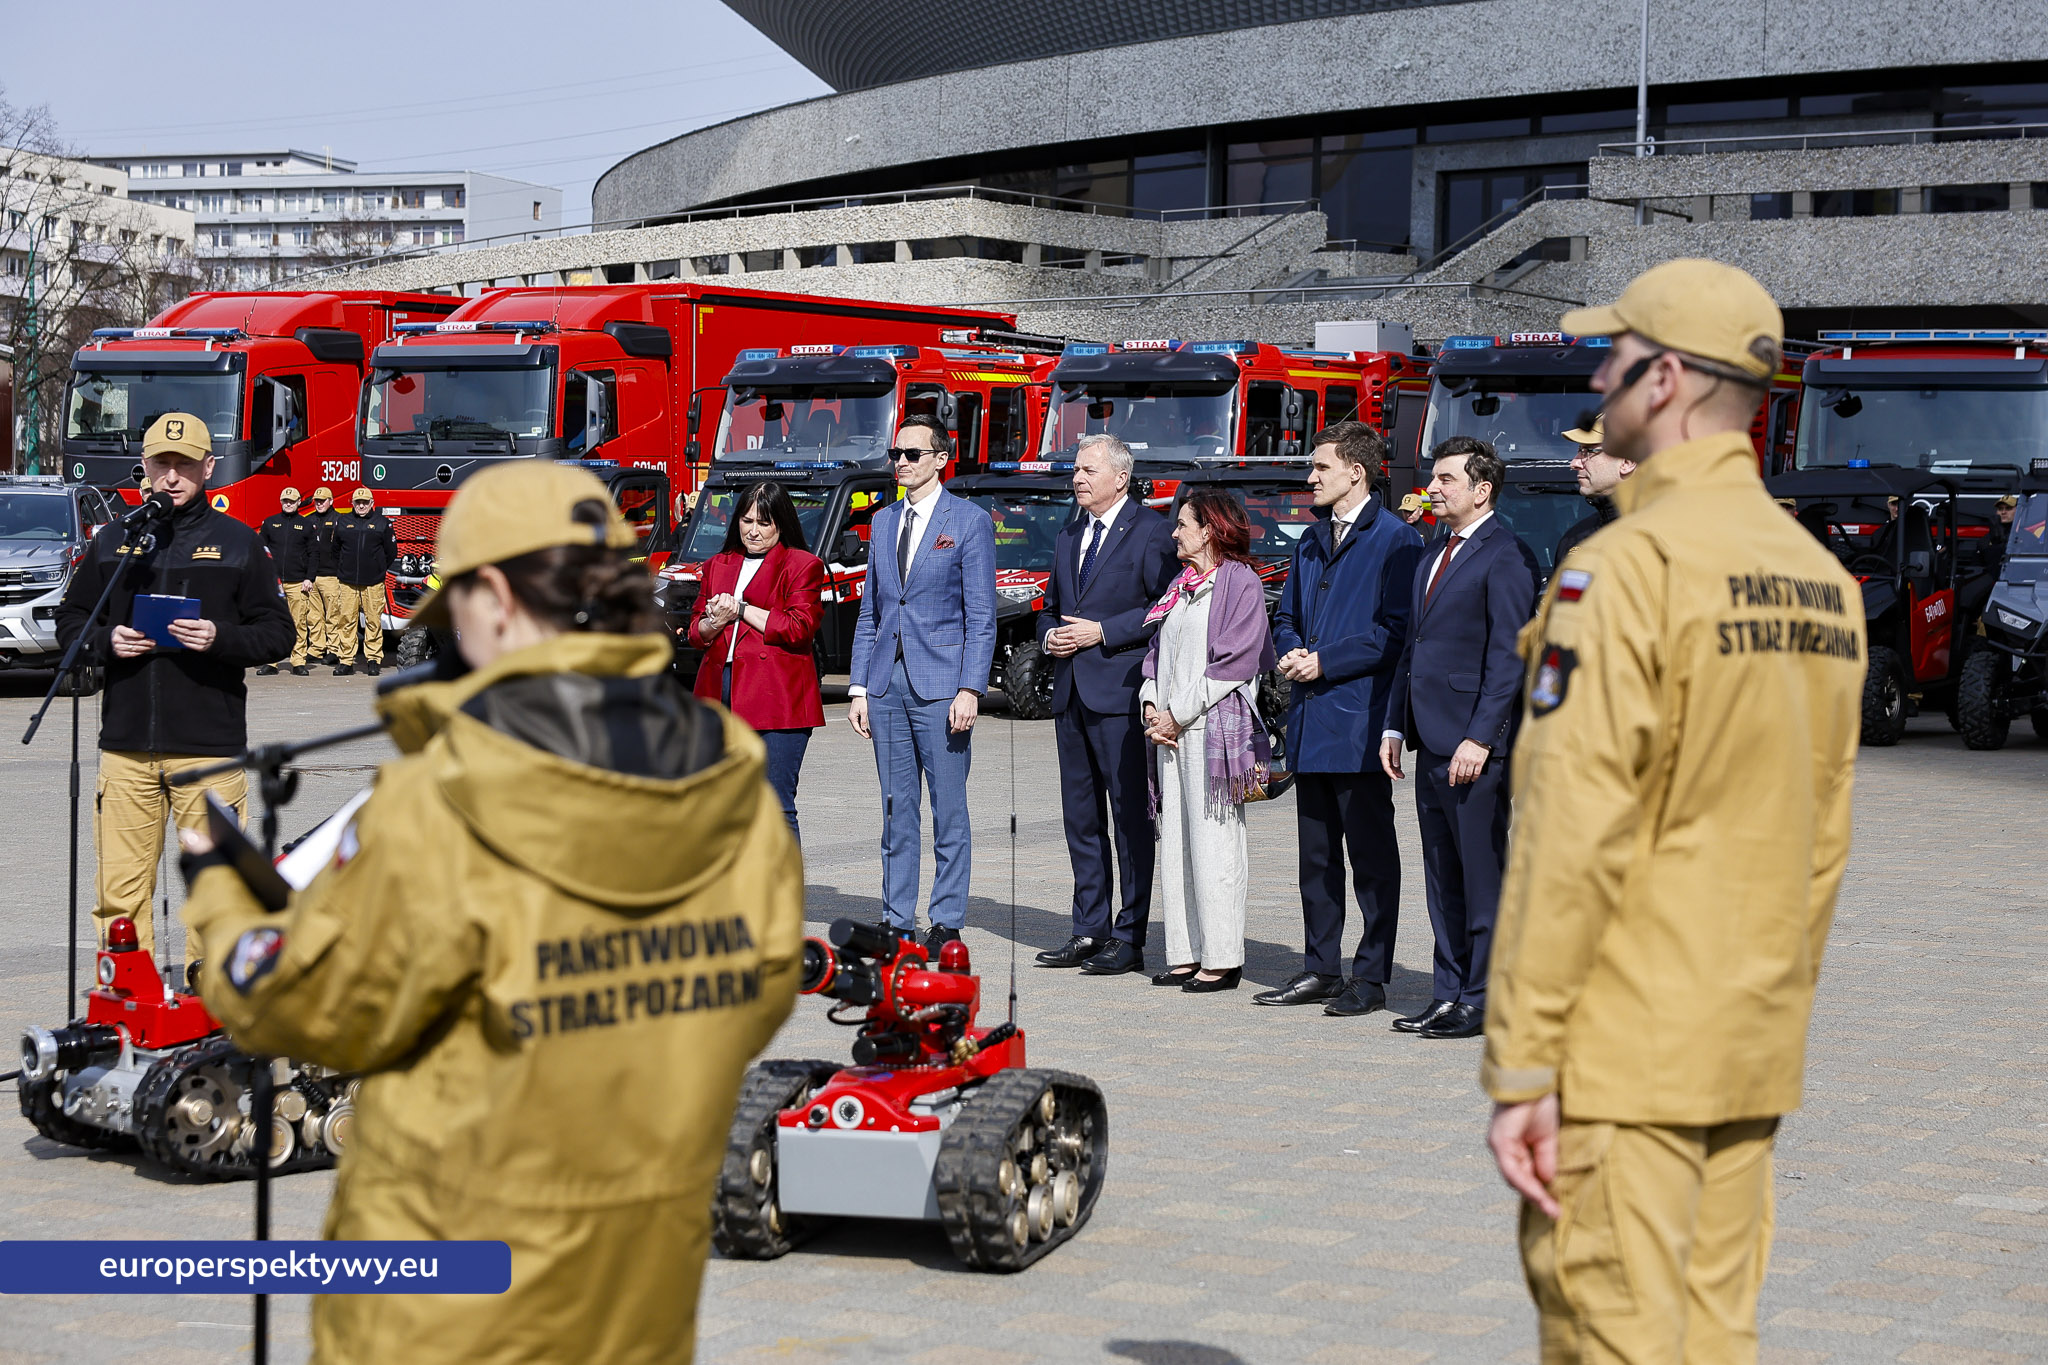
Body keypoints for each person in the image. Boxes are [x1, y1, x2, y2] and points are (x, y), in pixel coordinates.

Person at [178, 460, 803, 1365]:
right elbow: (762, 986)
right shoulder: (727, 772)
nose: (454, 636)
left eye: (457, 609)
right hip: (634, 1291)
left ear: (502, 601)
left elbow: (305, 1009)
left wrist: (227, 899)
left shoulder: (445, 800)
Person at [1484, 260, 1865, 1363]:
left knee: (1611, 1339)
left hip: (1624, 1054)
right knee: (1708, 1340)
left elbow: (1570, 835)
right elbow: (1823, 840)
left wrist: (1520, 1068)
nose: (1596, 378)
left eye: (1612, 356)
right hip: (1745, 1044)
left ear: (1662, 382)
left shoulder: (1627, 571)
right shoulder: (1818, 581)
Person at [53, 412, 294, 958]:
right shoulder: (115, 539)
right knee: (119, 895)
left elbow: (279, 633)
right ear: (144, 466)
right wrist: (107, 641)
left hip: (209, 753)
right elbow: (72, 619)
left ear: (209, 468)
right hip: (126, 749)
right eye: (162, 462)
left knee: (217, 893)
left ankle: (208, 1009)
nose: (172, 476)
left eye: (185, 464)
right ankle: (123, 1006)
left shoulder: (239, 543)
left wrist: (219, 637)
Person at [1260, 422, 1424, 1013]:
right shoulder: (1309, 540)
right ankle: (1319, 966)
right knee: (1317, 856)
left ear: (1355, 472)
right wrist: (1290, 649)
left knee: (1372, 858)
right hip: (1310, 720)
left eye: (1321, 467)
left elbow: (1395, 632)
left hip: (1358, 724)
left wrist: (1325, 660)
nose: (1311, 477)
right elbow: (1285, 614)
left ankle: (1373, 976)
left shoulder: (1397, 540)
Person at [1379, 438, 1539, 1040]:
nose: (1433, 488)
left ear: (1482, 490)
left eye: (1446, 479)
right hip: (1429, 738)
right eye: (1434, 477)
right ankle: (1448, 991)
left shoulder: (1506, 555)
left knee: (1480, 874)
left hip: (1473, 747)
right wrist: (1396, 724)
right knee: (1442, 874)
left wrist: (1482, 738)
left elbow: (1509, 658)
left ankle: (1483, 996)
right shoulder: (1430, 555)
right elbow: (1412, 650)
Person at [846, 415, 997, 950]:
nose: (902, 463)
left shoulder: (971, 521)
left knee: (948, 807)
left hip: (942, 688)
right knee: (895, 808)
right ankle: (896, 918)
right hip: (887, 685)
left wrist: (970, 688)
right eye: (896, 454)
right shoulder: (884, 522)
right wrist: (860, 687)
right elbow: (872, 611)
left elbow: (981, 615)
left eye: (913, 454)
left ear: (940, 459)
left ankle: (948, 919)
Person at [1033, 433, 1180, 976]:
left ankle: (1129, 935)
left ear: (1120, 476)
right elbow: (1051, 606)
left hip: (1119, 696)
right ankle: (1087, 929)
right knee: (1081, 818)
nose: (1077, 478)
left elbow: (1166, 607)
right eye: (1075, 469)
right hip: (1071, 693)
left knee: (1128, 819)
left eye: (1089, 470)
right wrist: (1050, 637)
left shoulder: (1152, 532)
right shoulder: (1070, 533)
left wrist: (1104, 632)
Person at [1141, 490, 1276, 992]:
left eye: (1182, 524)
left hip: (1212, 733)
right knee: (1175, 843)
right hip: (1170, 733)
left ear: (1210, 529)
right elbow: (1156, 653)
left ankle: (1220, 957)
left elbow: (1236, 663)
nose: (1174, 533)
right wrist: (1152, 705)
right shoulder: (1180, 585)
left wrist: (1176, 714)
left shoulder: (1240, 582)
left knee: (1215, 843)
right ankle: (1184, 952)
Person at [689, 480, 825, 838]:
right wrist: (712, 622)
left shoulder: (802, 565)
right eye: (746, 520)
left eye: (764, 522)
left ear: (781, 523)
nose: (753, 530)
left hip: (777, 699)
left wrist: (743, 610)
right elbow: (694, 632)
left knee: (775, 805)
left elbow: (798, 627)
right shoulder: (719, 563)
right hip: (718, 693)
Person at [329, 487, 398, 676]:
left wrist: (377, 568)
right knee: (346, 620)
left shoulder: (383, 523)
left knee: (373, 621)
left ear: (372, 504)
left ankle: (373, 659)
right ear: (352, 503)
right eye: (357, 502)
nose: (361, 505)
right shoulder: (343, 522)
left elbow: (391, 552)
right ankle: (346, 661)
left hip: (373, 582)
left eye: (365, 502)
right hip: (347, 582)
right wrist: (343, 568)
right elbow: (335, 550)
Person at [1552, 417, 1636, 568]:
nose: (1574, 463)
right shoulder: (1574, 539)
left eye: (1588, 451)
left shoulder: (1662, 535)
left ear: (1626, 462)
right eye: (1579, 451)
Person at [256, 485, 320, 675]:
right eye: (285, 501)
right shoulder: (269, 523)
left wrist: (309, 578)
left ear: (299, 502)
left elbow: (314, 554)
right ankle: (271, 662)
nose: (288, 504)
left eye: (292, 501)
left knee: (298, 623)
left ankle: (298, 661)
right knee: (272, 621)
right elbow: (260, 551)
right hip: (274, 584)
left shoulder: (307, 525)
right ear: (281, 502)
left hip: (298, 582)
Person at [306, 485, 345, 665]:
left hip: (332, 576)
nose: (319, 504)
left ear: (331, 501)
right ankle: (316, 648)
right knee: (313, 616)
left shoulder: (339, 520)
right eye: (317, 501)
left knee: (333, 615)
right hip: (312, 576)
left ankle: (334, 649)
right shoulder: (308, 520)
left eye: (323, 501)